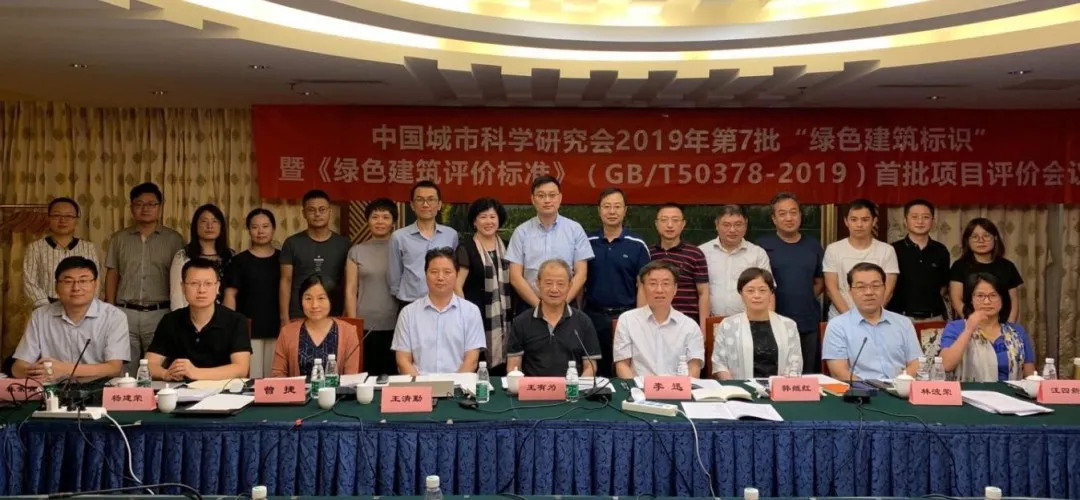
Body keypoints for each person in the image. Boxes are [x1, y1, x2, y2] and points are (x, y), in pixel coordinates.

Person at [104, 182, 184, 362]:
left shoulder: (174, 240)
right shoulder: (119, 239)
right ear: (131, 208)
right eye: (139, 204)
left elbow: (180, 278)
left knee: (157, 368)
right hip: (125, 313)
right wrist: (110, 308)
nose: (145, 208)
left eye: (151, 204)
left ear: (160, 207)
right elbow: (112, 274)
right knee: (124, 366)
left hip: (161, 313)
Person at [12, 257, 128, 380]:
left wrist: (64, 370)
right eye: (68, 282)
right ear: (56, 287)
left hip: (99, 388)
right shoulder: (40, 316)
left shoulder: (114, 317)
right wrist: (42, 372)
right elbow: (18, 368)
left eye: (83, 281)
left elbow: (114, 368)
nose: (76, 288)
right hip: (52, 388)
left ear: (95, 285)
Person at [146, 258, 251, 381]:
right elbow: (148, 364)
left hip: (222, 390)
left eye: (208, 284)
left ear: (218, 287)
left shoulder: (236, 321)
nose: (201, 290)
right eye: (194, 284)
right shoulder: (170, 321)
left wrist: (195, 373)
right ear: (183, 287)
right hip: (180, 390)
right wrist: (165, 374)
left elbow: (241, 368)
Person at [583, 188, 650, 377]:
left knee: (625, 368)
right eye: (607, 206)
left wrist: (640, 319)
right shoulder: (587, 242)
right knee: (595, 369)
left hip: (626, 316)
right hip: (593, 317)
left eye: (617, 206)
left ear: (625, 210)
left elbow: (643, 286)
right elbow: (580, 281)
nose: (612, 211)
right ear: (599, 210)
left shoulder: (637, 244)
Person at [756, 192, 824, 374]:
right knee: (774, 374)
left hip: (807, 322)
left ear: (800, 215)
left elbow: (819, 281)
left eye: (793, 212)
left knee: (807, 374)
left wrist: (803, 297)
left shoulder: (813, 245)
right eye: (782, 213)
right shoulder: (762, 246)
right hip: (772, 322)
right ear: (774, 218)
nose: (789, 218)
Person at [392, 248, 486, 375]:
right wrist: (422, 386)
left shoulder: (471, 312)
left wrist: (453, 385)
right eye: (434, 272)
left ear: (457, 274)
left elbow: (472, 360)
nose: (440, 277)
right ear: (425, 274)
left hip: (459, 384)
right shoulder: (408, 313)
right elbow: (403, 360)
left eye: (447, 272)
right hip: (419, 384)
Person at [822, 262, 922, 381]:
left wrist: (898, 384)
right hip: (860, 390)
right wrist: (871, 388)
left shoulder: (903, 323)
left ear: (884, 288)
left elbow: (916, 363)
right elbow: (839, 372)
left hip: (900, 388)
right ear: (850, 292)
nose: (869, 292)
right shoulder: (837, 326)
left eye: (875, 286)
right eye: (861, 287)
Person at [507, 175, 594, 310]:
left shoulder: (575, 230)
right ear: (533, 199)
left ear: (560, 198)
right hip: (530, 305)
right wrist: (539, 307)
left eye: (552, 195)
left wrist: (561, 305)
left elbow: (581, 274)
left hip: (566, 305)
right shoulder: (521, 232)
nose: (547, 200)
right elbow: (515, 277)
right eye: (541, 196)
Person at [507, 259, 602, 377]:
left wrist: (578, 386)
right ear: (538, 284)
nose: (554, 289)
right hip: (534, 387)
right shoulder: (521, 322)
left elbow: (590, 367)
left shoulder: (583, 322)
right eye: (548, 283)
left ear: (570, 285)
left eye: (560, 284)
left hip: (572, 387)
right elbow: (513, 366)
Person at [613, 261, 705, 378]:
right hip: (639, 387)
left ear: (675, 289)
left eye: (666, 284)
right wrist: (635, 388)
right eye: (653, 283)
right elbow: (622, 365)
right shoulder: (627, 320)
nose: (659, 290)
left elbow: (694, 367)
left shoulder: (690, 326)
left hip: (677, 388)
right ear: (643, 288)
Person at [938, 273, 1035, 381]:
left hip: (1011, 391)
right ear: (971, 299)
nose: (987, 301)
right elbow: (945, 365)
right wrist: (968, 330)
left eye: (993, 295)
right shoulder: (955, 328)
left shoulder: (1017, 331)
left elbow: (1030, 376)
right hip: (969, 391)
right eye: (980, 296)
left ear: (1002, 299)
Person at [454, 197, 512, 376]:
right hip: (477, 317)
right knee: (479, 364)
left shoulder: (508, 247)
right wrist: (466, 315)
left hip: (506, 318)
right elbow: (457, 285)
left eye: (492, 217)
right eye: (483, 217)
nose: (488, 222)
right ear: (474, 221)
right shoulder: (466, 248)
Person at [711, 268, 802, 380]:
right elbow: (720, 364)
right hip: (740, 388)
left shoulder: (788, 325)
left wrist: (781, 386)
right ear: (741, 293)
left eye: (763, 290)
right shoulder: (728, 325)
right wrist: (734, 386)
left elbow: (795, 363)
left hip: (779, 388)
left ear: (771, 293)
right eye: (750, 291)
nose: (757, 295)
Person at [223, 208, 281, 379]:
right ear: (248, 230)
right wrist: (230, 327)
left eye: (265, 226)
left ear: (274, 228)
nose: (260, 231)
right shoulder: (238, 261)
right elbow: (230, 295)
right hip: (248, 330)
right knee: (251, 380)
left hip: (278, 328)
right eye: (255, 227)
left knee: (274, 380)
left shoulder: (283, 259)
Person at [344, 198, 399, 375]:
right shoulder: (356, 251)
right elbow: (351, 289)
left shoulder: (401, 250)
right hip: (365, 324)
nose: (380, 222)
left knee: (394, 377)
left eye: (385, 217)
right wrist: (353, 324)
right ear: (367, 220)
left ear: (394, 222)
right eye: (375, 217)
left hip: (396, 323)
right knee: (366, 376)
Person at [279, 190, 351, 324]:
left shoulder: (344, 244)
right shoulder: (292, 243)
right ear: (304, 213)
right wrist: (284, 317)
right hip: (298, 314)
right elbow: (286, 280)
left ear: (330, 211)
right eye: (311, 210)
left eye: (322, 209)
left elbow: (349, 283)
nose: (317, 214)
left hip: (333, 314)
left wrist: (346, 312)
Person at [272, 275, 362, 378]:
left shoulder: (349, 332)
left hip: (336, 389)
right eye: (308, 298)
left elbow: (351, 379)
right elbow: (277, 376)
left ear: (331, 299)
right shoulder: (287, 333)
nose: (314, 305)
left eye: (321, 298)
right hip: (298, 389)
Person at [822, 199, 899, 319]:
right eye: (854, 219)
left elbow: (888, 289)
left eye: (865, 220)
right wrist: (850, 318)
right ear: (846, 221)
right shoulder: (833, 249)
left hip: (875, 318)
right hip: (841, 317)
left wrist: (872, 315)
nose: (859, 225)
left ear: (874, 221)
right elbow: (831, 289)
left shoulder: (887, 250)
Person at [389, 181, 459, 308]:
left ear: (439, 205)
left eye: (431, 199)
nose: (425, 204)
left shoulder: (451, 235)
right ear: (412, 205)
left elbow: (454, 269)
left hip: (443, 303)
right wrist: (401, 295)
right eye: (420, 200)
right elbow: (394, 276)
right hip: (410, 303)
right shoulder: (399, 237)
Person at [23, 197, 101, 308]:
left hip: (81, 308)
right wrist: (48, 307)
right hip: (45, 308)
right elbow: (29, 282)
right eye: (56, 215)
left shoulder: (88, 247)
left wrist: (84, 305)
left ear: (76, 220)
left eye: (68, 216)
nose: (62, 220)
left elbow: (95, 280)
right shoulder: (35, 248)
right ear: (49, 218)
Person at [700, 204, 771, 317]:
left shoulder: (757, 253)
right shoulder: (702, 252)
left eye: (738, 224)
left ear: (746, 224)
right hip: (712, 320)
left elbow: (768, 291)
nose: (732, 230)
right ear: (717, 225)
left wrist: (766, 323)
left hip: (748, 320)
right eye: (726, 225)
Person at [888, 199, 951, 322]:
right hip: (900, 317)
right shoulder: (893, 250)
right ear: (905, 221)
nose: (920, 221)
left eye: (925, 217)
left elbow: (943, 286)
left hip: (934, 317)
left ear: (933, 221)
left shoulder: (941, 250)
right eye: (914, 217)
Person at [949, 218, 1022, 323]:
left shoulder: (1007, 266)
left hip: (1002, 324)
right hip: (969, 324)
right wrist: (972, 322)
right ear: (967, 241)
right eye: (975, 237)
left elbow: (1014, 301)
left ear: (995, 238)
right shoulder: (959, 266)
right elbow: (956, 300)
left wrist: (1010, 325)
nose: (981, 240)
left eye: (986, 236)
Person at [649, 202, 709, 325]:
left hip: (687, 323)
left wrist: (703, 328)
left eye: (675, 220)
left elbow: (703, 293)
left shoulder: (695, 254)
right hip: (654, 322)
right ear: (656, 224)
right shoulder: (648, 253)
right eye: (664, 220)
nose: (669, 225)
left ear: (683, 224)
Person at [169, 204, 233, 310]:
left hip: (224, 317)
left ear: (221, 226)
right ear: (195, 226)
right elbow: (177, 296)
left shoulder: (231, 256)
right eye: (204, 221)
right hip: (191, 315)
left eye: (214, 221)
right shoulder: (183, 256)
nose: (210, 226)